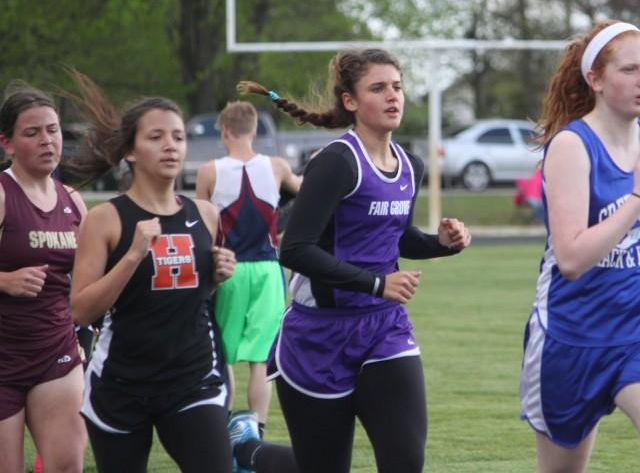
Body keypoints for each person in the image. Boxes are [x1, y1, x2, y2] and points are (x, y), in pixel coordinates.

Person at [236, 48, 471, 473]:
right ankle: (247, 452)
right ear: (350, 101)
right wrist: (378, 283)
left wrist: (442, 243)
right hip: (318, 335)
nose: (392, 96)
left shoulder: (410, 166)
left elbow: (398, 238)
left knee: (405, 462)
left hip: (385, 329)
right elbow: (294, 249)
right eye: (377, 88)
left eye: (397, 86)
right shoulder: (336, 162)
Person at [519, 20, 640, 473]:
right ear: (595, 80)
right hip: (574, 337)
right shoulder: (571, 146)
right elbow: (572, 259)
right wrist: (639, 195)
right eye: (630, 70)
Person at [64, 71, 237, 473]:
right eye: (156, 137)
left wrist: (216, 274)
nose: (170, 146)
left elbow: (189, 294)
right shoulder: (105, 219)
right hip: (122, 384)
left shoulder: (205, 214)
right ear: (130, 150)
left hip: (192, 378)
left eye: (177, 136)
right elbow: (81, 312)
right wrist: (132, 256)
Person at [195, 101, 302, 437]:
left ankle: (221, 429)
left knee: (223, 356)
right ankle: (255, 431)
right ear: (254, 131)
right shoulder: (277, 166)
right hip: (269, 272)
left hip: (229, 270)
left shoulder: (209, 170)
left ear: (224, 131)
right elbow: (310, 194)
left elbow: (200, 225)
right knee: (260, 360)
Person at [0, 84, 88, 473]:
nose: (47, 140)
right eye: (32, 132)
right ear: (7, 143)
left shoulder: (73, 199)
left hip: (56, 353)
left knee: (67, 466)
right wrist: (4, 281)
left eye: (53, 130)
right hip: (3, 357)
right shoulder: (3, 194)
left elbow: (92, 279)